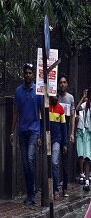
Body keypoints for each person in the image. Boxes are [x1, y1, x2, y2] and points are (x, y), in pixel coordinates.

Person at [10, 63, 43, 204]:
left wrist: (41, 135)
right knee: (25, 163)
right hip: (22, 130)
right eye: (26, 73)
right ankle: (29, 193)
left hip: (34, 130)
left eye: (30, 73)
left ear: (33, 75)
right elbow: (15, 112)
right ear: (23, 74)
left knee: (30, 159)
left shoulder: (38, 91)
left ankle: (33, 191)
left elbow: (42, 112)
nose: (28, 75)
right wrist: (12, 131)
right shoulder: (18, 91)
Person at [57, 74, 76, 197]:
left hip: (65, 131)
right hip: (56, 130)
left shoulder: (70, 98)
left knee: (64, 160)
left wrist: (72, 133)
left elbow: (73, 116)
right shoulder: (56, 97)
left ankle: (65, 188)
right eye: (61, 82)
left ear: (67, 84)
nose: (62, 84)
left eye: (64, 82)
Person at [49, 95, 68, 200]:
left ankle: (56, 189)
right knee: (48, 164)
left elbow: (63, 127)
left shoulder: (60, 108)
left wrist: (64, 143)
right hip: (47, 139)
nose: (55, 98)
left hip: (57, 140)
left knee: (54, 162)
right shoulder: (46, 107)